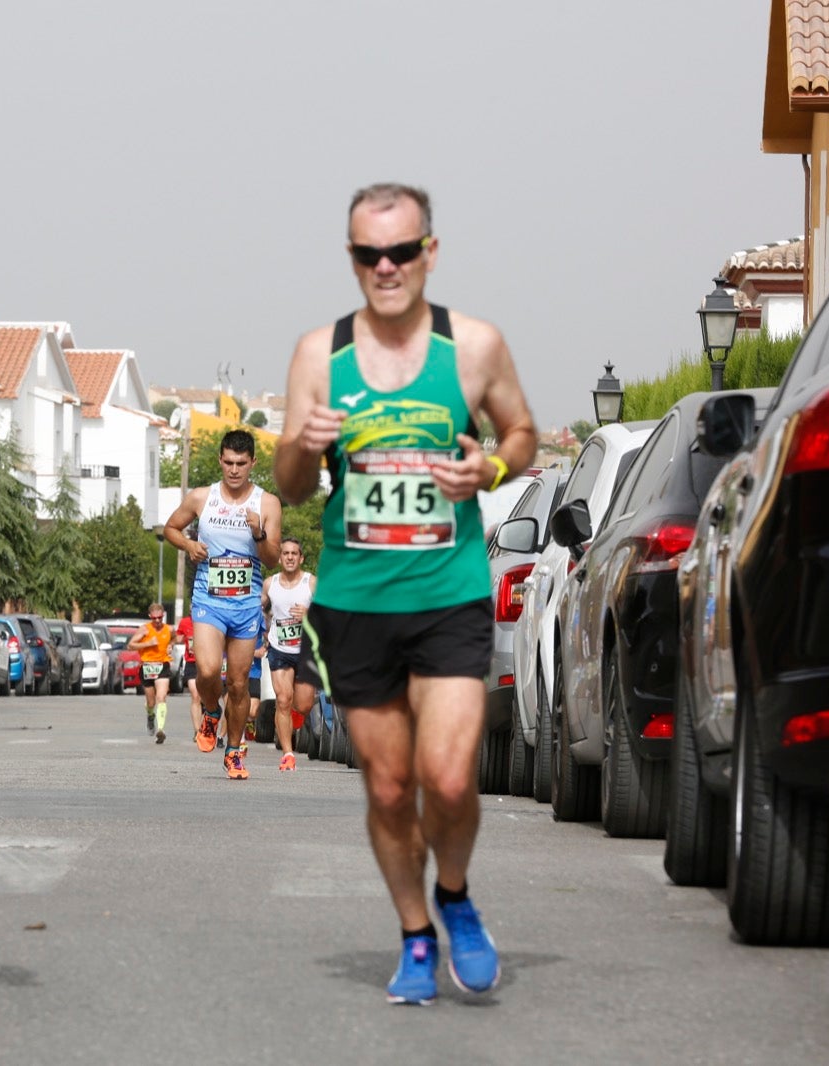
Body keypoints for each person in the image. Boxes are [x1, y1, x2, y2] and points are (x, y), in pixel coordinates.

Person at [275, 183, 537, 1005]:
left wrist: (491, 467)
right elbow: (291, 483)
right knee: (389, 788)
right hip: (357, 602)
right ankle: (416, 933)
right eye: (368, 254)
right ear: (352, 259)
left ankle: (454, 896)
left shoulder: (475, 346)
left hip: (449, 592)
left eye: (400, 251)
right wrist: (303, 445)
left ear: (430, 252)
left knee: (449, 779)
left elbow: (523, 432)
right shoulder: (319, 355)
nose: (385, 267)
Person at [163, 430, 281, 780]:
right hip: (208, 600)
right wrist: (189, 546)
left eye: (241, 463)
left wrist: (258, 533)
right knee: (208, 670)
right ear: (220, 460)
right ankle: (212, 711)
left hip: (245, 605)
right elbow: (171, 528)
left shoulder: (267, 503)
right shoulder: (202, 497)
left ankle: (233, 751)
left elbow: (272, 559)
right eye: (228, 462)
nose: (234, 470)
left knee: (240, 684)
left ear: (252, 463)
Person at [262, 536, 317, 772]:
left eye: (294, 553)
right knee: (283, 699)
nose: (290, 557)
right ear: (280, 558)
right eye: (286, 553)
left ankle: (293, 716)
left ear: (301, 558)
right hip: (279, 648)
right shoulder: (270, 584)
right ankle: (288, 754)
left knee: (303, 705)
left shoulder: (311, 583)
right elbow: (259, 608)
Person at [127, 602, 174, 743]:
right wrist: (147, 643)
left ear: (163, 615)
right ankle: (150, 716)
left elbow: (175, 638)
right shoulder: (144, 629)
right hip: (147, 666)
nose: (157, 620)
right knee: (151, 702)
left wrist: (171, 646)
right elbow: (130, 645)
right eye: (154, 618)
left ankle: (160, 729)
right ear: (150, 616)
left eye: (160, 617)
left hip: (163, 665)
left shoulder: (169, 629)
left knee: (161, 696)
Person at [173, 613, 202, 740]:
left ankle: (205, 724)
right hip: (191, 663)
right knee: (195, 695)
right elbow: (177, 638)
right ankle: (197, 731)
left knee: (205, 698)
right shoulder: (184, 622)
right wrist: (176, 638)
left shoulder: (209, 618)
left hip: (206, 662)